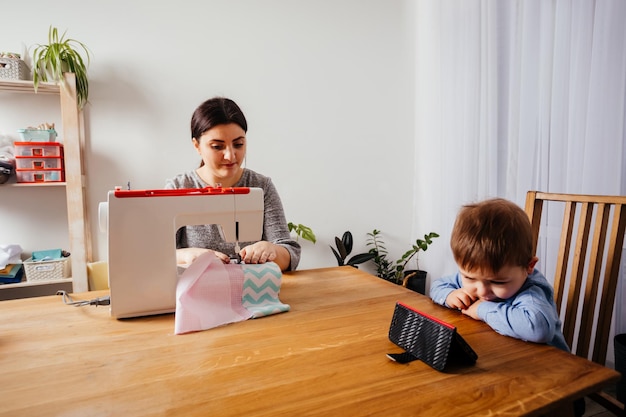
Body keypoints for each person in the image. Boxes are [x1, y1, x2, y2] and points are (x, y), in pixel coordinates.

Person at [430, 198, 586, 416]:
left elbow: (538, 328)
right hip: (508, 373)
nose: (482, 291)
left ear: (528, 267)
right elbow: (438, 285)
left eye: (498, 282)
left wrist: (481, 310)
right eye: (469, 277)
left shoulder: (531, 292)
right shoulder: (480, 277)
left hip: (555, 388)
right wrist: (449, 295)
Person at [165, 97, 300, 272]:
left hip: (251, 292)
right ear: (197, 145)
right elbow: (157, 254)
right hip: (197, 292)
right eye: (217, 146)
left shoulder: (261, 186)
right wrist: (187, 255)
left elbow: (290, 253)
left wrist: (271, 250)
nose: (230, 155)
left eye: (238, 144)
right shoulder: (178, 188)